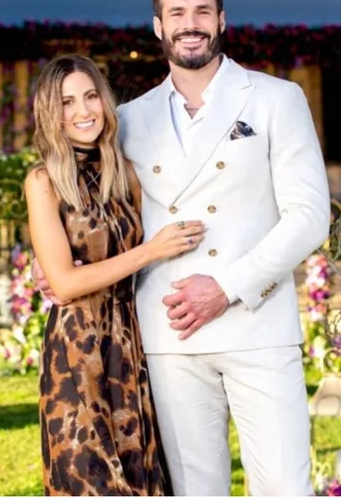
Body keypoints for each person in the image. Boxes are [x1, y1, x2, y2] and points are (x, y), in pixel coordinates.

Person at [33, 0, 330, 496]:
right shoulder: (131, 119)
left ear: (221, 20)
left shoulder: (276, 99)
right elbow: (89, 202)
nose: (189, 23)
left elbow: (311, 217)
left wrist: (227, 287)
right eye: (176, 13)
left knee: (286, 488)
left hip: (258, 328)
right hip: (168, 339)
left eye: (201, 11)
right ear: (158, 27)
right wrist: (51, 259)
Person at [24, 54, 206, 495]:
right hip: (76, 349)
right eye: (67, 102)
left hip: (130, 341)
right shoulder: (43, 181)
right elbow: (65, 283)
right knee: (88, 478)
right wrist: (149, 250)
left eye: (90, 97)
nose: (83, 111)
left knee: (141, 475)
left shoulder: (127, 173)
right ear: (51, 113)